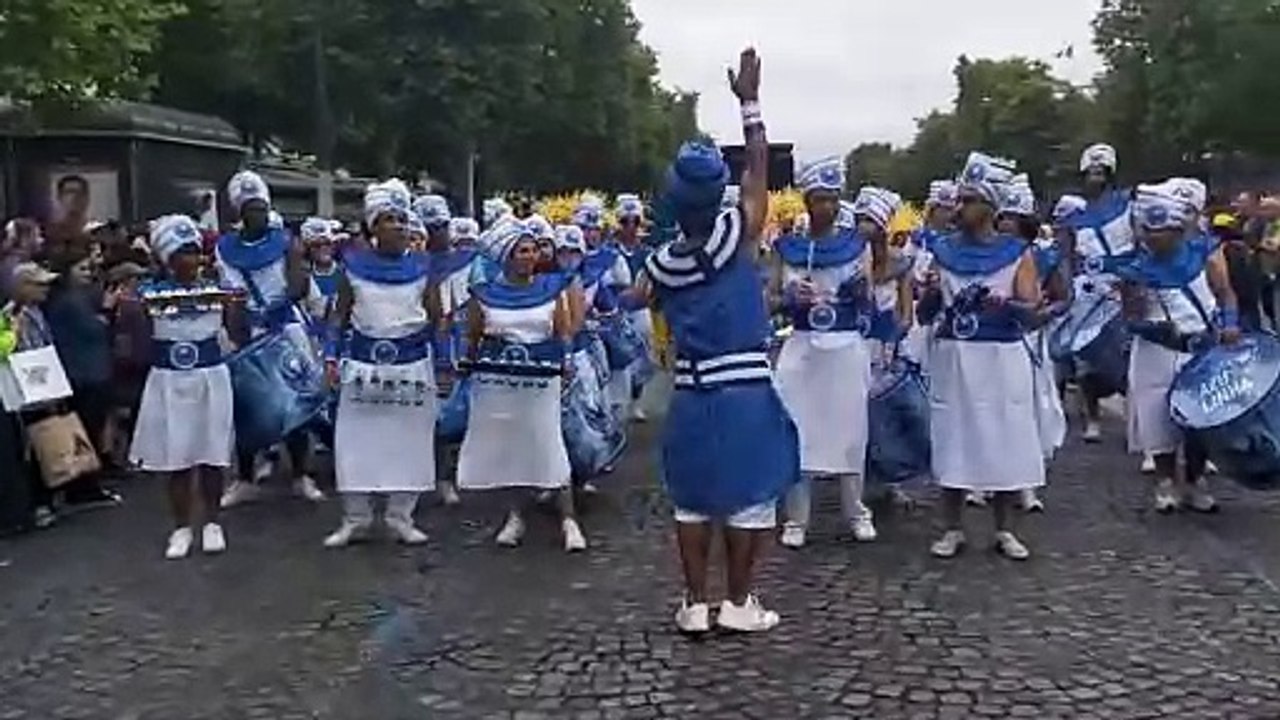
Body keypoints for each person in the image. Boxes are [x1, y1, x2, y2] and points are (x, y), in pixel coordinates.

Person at [634, 48, 797, 633]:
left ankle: (694, 605)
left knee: (692, 498)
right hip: (747, 387)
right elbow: (758, 168)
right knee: (753, 495)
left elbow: (631, 299)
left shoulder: (660, 265)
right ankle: (739, 602)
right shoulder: (741, 233)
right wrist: (748, 103)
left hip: (692, 389)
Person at [921, 152, 1044, 561]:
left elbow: (1033, 311)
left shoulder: (1017, 252)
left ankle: (1004, 529)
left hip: (1001, 355)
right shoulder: (942, 250)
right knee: (954, 432)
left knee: (1003, 435)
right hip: (956, 355)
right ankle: (952, 527)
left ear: (990, 207)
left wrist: (1007, 303)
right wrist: (933, 295)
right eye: (960, 199)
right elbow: (925, 313)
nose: (960, 207)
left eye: (969, 200)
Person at [457, 219, 586, 552]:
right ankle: (514, 517)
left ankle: (569, 521)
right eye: (522, 251)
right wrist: (465, 366)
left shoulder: (551, 289)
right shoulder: (483, 295)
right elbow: (473, 337)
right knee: (511, 448)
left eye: (532, 250)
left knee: (549, 444)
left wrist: (567, 363)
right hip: (499, 382)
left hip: (541, 382)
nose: (530, 257)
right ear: (506, 257)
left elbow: (562, 332)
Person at [322, 181, 439, 548]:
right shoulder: (352, 266)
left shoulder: (423, 266)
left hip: (411, 365)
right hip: (363, 365)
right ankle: (355, 518)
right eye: (390, 220)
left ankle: (400, 516)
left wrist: (444, 360)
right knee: (356, 441)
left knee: (410, 441)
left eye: (403, 220)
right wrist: (330, 358)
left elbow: (438, 317)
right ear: (373, 227)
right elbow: (338, 317)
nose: (399, 227)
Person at [771, 164, 877, 550]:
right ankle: (797, 517)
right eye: (820, 199)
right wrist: (788, 298)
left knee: (850, 428)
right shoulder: (788, 248)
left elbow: (868, 301)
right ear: (807, 201)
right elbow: (770, 301)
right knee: (797, 427)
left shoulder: (856, 246)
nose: (828, 207)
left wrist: (860, 290)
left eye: (834, 199)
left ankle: (857, 511)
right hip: (802, 343)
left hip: (845, 342)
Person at [1120, 183, 1238, 513]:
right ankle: (1166, 482)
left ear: (1178, 229)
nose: (1154, 238)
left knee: (1201, 421)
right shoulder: (1135, 270)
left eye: (1162, 232)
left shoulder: (1206, 253)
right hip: (1156, 350)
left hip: (1200, 347)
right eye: (1149, 232)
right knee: (1157, 419)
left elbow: (1225, 293)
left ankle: (1196, 480)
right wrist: (1151, 327)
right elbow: (1129, 317)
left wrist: (1230, 325)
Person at [129, 216, 239, 559]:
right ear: (167, 258)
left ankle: (212, 523)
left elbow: (237, 333)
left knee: (212, 454)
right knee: (177, 458)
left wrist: (237, 308)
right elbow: (138, 343)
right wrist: (132, 312)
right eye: (182, 253)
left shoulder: (218, 290)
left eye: (194, 252)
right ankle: (181, 527)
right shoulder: (148, 294)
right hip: (168, 381)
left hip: (210, 378)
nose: (191, 260)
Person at [214, 170, 322, 505]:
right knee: (247, 406)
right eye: (250, 208)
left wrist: (277, 306)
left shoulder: (286, 241)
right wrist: (239, 331)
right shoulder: (225, 248)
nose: (257, 214)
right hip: (249, 331)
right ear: (239, 212)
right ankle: (245, 478)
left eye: (262, 207)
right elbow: (231, 292)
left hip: (286, 328)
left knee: (297, 406)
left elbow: (299, 283)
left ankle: (301, 475)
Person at [1057, 144, 1134, 443]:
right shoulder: (1075, 214)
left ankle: (1136, 423)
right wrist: (1068, 291)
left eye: (1101, 172)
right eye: (1090, 172)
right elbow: (1065, 256)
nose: (1095, 177)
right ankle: (1092, 418)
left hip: (1124, 289)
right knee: (1087, 359)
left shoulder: (1128, 204)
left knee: (1128, 359)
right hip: (1088, 292)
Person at [43, 245, 125, 508]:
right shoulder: (70, 300)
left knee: (90, 429)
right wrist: (106, 311)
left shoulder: (71, 298)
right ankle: (83, 486)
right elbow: (93, 329)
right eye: (82, 269)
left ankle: (85, 483)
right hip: (84, 372)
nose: (88, 274)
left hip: (86, 370)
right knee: (87, 431)